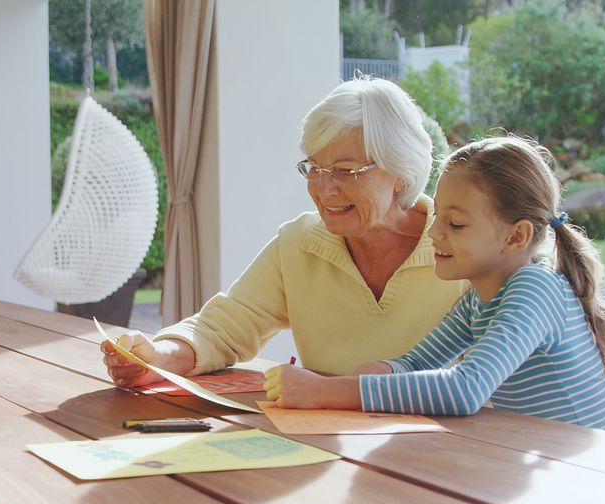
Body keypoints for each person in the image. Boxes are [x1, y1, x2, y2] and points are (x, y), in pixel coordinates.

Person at [100, 77, 465, 388]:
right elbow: (223, 328)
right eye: (315, 168)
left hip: (449, 451)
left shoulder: (463, 248)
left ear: (401, 170)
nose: (324, 189)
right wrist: (156, 358)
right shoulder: (299, 244)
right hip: (329, 447)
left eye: (345, 171)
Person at [263, 136, 605, 434]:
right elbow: (415, 363)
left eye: (455, 224)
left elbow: (465, 389)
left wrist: (324, 392)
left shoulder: (536, 289)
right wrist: (357, 378)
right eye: (438, 216)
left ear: (516, 236)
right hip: (561, 476)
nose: (434, 232)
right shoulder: (480, 301)